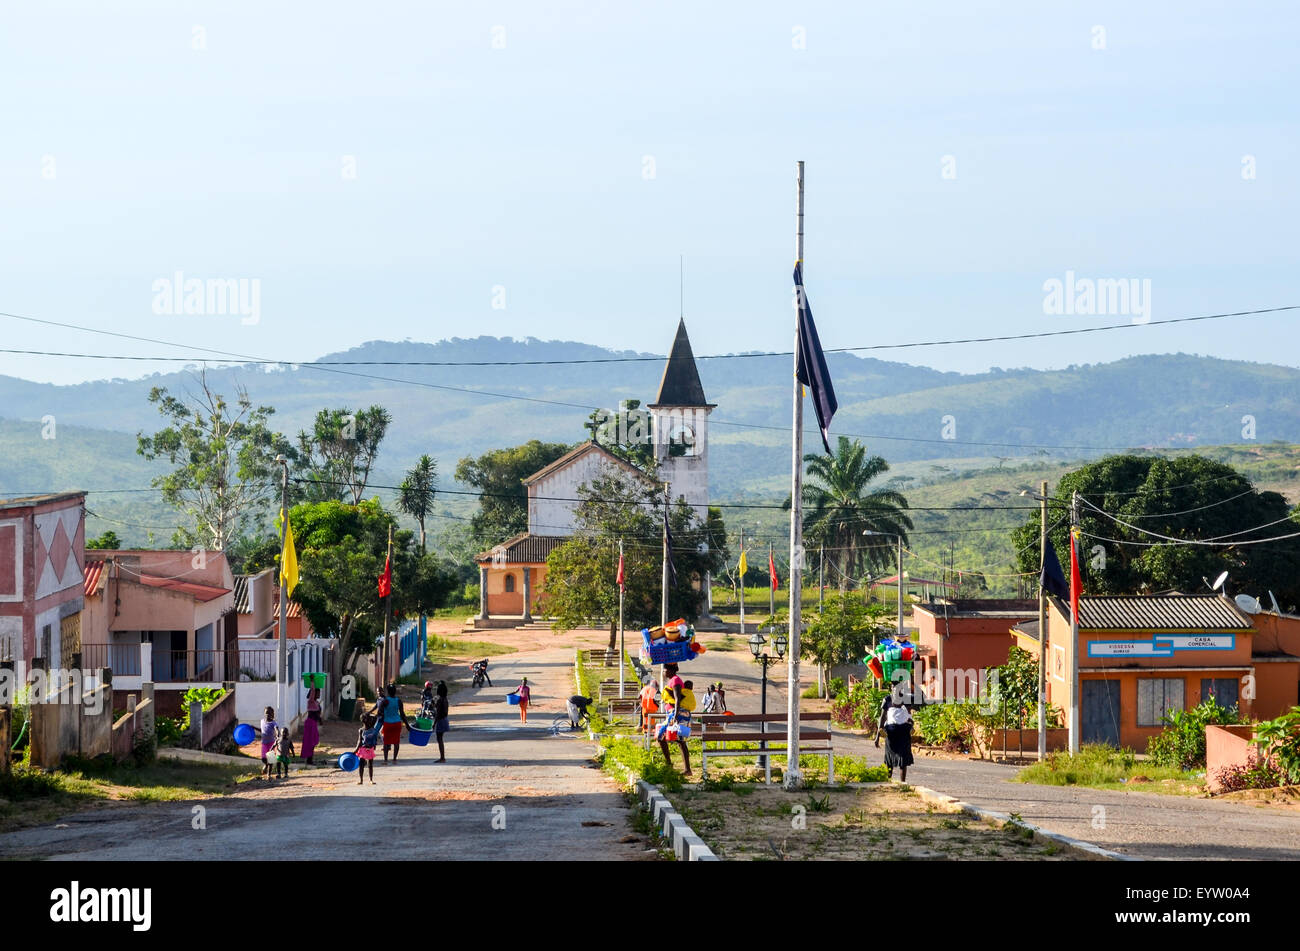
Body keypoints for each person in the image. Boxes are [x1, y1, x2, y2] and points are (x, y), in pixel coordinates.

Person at [655, 663, 692, 776]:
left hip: (677, 714)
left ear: (670, 670)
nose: (663, 672)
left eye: (664, 670)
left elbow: (677, 699)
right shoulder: (673, 680)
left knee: (661, 736)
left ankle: (670, 765)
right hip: (675, 713)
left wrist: (675, 716)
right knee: (679, 741)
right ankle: (685, 769)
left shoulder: (675, 680)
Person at [370, 683, 410, 763]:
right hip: (397, 723)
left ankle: (385, 760)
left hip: (387, 723)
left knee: (386, 742)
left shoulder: (385, 701)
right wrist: (407, 725)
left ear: (387, 691)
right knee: (396, 742)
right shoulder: (399, 701)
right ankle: (394, 759)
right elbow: (402, 714)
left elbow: (380, 713)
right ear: (395, 691)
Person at [881, 693, 915, 783]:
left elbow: (909, 716)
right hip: (892, 732)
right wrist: (878, 735)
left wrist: (911, 725)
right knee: (890, 759)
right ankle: (888, 781)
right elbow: (882, 718)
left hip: (901, 732)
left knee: (902, 759)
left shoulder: (906, 700)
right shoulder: (887, 699)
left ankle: (902, 782)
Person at [355, 713, 379, 785]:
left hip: (370, 749)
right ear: (363, 721)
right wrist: (355, 750)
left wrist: (368, 714)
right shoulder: (361, 730)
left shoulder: (372, 727)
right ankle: (361, 780)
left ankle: (371, 780)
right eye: (368, 719)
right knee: (361, 765)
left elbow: (375, 717)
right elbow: (359, 741)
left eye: (369, 719)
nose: (370, 720)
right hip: (363, 749)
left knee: (370, 765)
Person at [301, 687, 321, 765]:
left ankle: (310, 758)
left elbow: (318, 714)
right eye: (318, 693)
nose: (319, 694)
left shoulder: (316, 702)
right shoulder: (311, 701)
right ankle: (309, 759)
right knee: (310, 742)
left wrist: (320, 720)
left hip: (314, 723)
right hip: (310, 724)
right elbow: (312, 691)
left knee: (314, 741)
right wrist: (312, 681)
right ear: (314, 694)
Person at [433, 681, 450, 763]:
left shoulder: (439, 700)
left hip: (441, 720)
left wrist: (434, 723)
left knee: (439, 739)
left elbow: (438, 713)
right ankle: (442, 757)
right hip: (445, 719)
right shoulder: (445, 699)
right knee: (440, 738)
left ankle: (442, 757)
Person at [259, 706, 278, 778]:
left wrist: (278, 734)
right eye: (266, 713)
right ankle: (266, 765)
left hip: (271, 743)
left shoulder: (273, 723)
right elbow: (262, 730)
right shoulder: (262, 721)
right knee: (263, 758)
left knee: (270, 759)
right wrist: (253, 727)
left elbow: (276, 729)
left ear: (272, 714)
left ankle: (269, 774)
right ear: (264, 713)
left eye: (269, 713)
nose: (267, 714)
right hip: (264, 743)